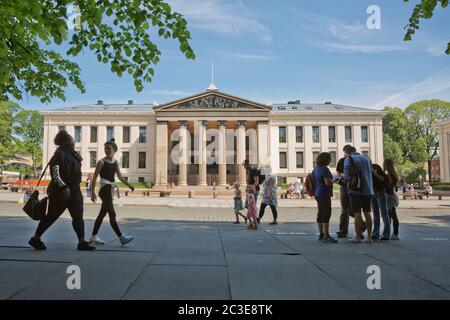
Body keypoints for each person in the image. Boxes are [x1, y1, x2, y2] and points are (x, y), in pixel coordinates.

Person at [28, 130, 95, 251]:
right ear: (65, 142)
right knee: (52, 216)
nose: (73, 141)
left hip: (74, 189)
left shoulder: (73, 155)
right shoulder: (58, 155)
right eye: (71, 139)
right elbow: (55, 175)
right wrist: (64, 187)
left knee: (78, 216)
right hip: (60, 192)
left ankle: (81, 242)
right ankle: (35, 238)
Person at [90, 139, 135, 245]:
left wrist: (129, 185)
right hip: (104, 189)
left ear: (114, 150)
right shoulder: (101, 162)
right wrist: (92, 192)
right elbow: (95, 177)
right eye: (105, 148)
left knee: (101, 214)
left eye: (109, 148)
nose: (107, 150)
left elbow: (120, 176)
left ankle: (93, 237)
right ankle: (121, 237)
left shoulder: (115, 163)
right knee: (112, 213)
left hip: (110, 190)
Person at [344, 146, 374, 243]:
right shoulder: (367, 158)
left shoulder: (349, 159)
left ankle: (358, 237)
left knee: (357, 214)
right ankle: (369, 237)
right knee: (368, 213)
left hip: (355, 190)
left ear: (347, 152)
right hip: (368, 189)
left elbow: (346, 176)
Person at [313, 152, 338, 243]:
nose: (330, 160)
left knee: (320, 213)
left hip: (317, 193)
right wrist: (335, 179)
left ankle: (321, 234)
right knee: (326, 213)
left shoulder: (316, 168)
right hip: (324, 193)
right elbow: (328, 183)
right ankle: (326, 235)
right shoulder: (325, 169)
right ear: (326, 160)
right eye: (329, 159)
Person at [371, 163, 391, 241]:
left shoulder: (383, 176)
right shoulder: (371, 175)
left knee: (384, 214)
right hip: (373, 194)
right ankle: (375, 233)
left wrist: (374, 174)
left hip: (380, 194)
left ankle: (386, 234)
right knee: (376, 215)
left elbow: (383, 180)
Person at [384, 159, 400, 240]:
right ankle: (394, 233)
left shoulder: (389, 175)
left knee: (391, 215)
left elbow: (389, 187)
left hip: (389, 196)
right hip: (392, 195)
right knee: (392, 215)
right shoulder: (394, 174)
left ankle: (391, 233)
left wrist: (386, 198)